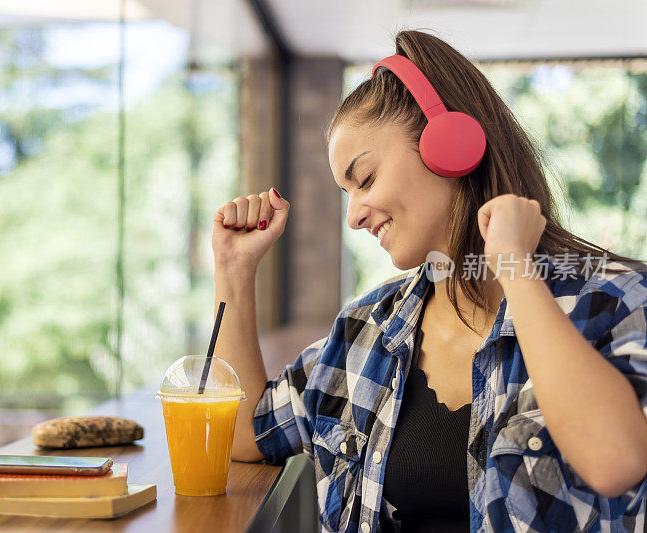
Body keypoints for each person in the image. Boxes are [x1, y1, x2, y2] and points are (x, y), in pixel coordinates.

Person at [210, 29, 647, 533]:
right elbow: (246, 432)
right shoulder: (365, 330)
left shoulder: (618, 299)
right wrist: (234, 270)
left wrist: (514, 268)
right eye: (346, 192)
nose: (353, 216)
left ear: (451, 146)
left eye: (365, 178)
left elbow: (615, 460)